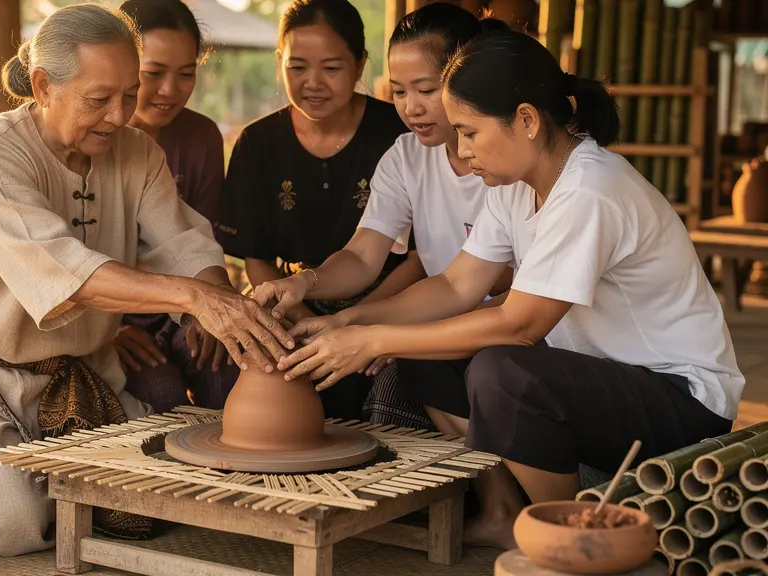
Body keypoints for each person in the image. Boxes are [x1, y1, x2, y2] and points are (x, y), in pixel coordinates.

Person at [276, 30, 743, 549]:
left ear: (525, 120)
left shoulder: (591, 189)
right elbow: (456, 285)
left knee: (505, 372)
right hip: (603, 380)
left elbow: (520, 324)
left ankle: (565, 535)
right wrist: (350, 323)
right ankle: (502, 511)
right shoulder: (516, 186)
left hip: (682, 397)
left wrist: (374, 341)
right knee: (426, 353)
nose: (462, 149)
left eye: (470, 132)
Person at [0, 4, 293, 557]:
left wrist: (218, 298)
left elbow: (183, 243)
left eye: (129, 94)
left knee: (160, 491)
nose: (120, 115)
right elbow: (65, 273)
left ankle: (49, 473)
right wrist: (193, 298)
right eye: (99, 99)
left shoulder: (138, 152)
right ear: (45, 86)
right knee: (15, 521)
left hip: (78, 372)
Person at [253, 4, 512, 430]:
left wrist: (394, 333)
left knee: (398, 381)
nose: (411, 108)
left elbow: (511, 295)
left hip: (501, 332)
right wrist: (304, 283)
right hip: (443, 320)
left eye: (426, 90)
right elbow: (361, 257)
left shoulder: (508, 162)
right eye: (399, 91)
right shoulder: (406, 157)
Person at [216, 0, 422, 420]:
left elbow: (421, 256)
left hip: (395, 300)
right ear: (280, 62)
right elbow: (257, 260)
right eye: (297, 67)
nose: (313, 83)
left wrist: (355, 322)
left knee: (383, 388)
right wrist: (304, 323)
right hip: (293, 302)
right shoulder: (258, 144)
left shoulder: (400, 135)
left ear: (360, 62)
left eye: (331, 68)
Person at [116, 0, 237, 414]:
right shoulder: (93, 136)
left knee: (227, 367)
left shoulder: (201, 137)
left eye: (186, 74)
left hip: (184, 307)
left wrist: (213, 309)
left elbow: (201, 244)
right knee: (159, 389)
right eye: (153, 73)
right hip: (109, 313)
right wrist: (104, 331)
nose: (170, 91)